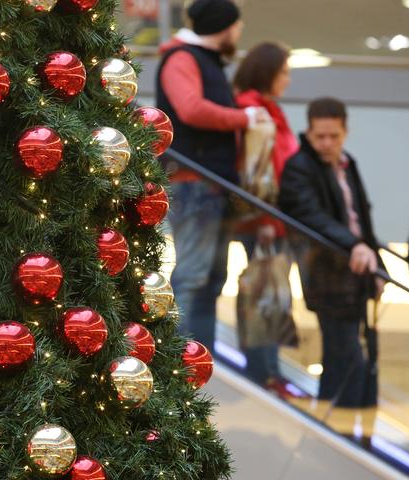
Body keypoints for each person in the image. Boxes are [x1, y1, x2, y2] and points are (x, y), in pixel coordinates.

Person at [156, 0, 263, 349]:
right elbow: (190, 109)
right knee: (194, 275)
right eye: (236, 24)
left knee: (211, 278)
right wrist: (244, 118)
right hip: (194, 181)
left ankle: (198, 357)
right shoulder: (182, 58)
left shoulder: (199, 59)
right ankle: (179, 356)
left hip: (209, 183)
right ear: (224, 25)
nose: (240, 30)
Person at [278, 97, 385, 408]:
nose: (326, 143)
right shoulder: (299, 167)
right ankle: (340, 427)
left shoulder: (348, 163)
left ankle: (346, 425)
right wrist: (355, 246)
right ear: (308, 132)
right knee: (346, 356)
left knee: (350, 357)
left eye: (334, 136)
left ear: (345, 132)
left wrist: (378, 265)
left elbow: (362, 220)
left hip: (354, 272)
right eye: (319, 136)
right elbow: (311, 216)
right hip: (326, 275)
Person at [232, 42, 299, 390]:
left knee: (272, 295)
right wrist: (266, 221)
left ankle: (270, 370)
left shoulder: (270, 109)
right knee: (264, 295)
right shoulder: (253, 109)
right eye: (284, 72)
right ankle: (263, 373)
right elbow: (257, 173)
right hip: (265, 220)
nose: (288, 79)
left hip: (275, 218)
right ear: (268, 71)